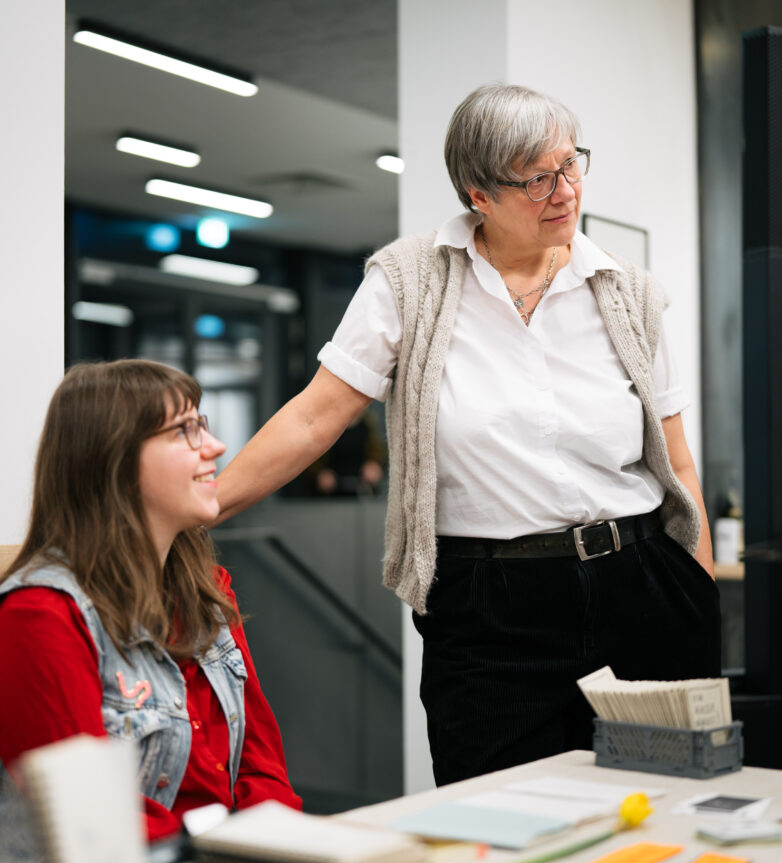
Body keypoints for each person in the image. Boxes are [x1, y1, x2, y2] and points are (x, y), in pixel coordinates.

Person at [216, 84, 721, 786]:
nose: (565, 190)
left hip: (640, 583)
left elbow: (678, 461)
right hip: (490, 603)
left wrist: (696, 587)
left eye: (572, 165)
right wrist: (202, 509)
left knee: (665, 808)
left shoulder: (626, 290)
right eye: (537, 178)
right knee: (499, 815)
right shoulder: (409, 281)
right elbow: (313, 416)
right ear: (477, 193)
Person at [0, 359, 299, 863]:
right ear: (113, 462)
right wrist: (229, 858)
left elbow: (261, 765)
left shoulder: (208, 591)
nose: (215, 447)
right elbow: (92, 820)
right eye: (183, 431)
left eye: (202, 424)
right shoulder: (40, 615)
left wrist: (283, 858)